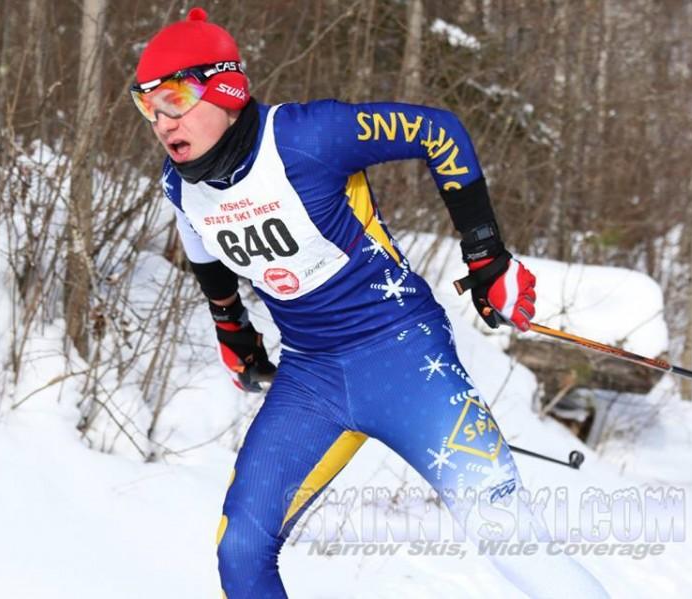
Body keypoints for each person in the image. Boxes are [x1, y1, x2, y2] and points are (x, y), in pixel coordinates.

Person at [132, 8, 608, 598]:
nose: (159, 119)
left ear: (226, 87)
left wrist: (487, 257)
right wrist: (234, 331)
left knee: (507, 533)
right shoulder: (180, 183)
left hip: (404, 356)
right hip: (311, 377)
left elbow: (440, 131)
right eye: (146, 104)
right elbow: (200, 246)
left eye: (174, 97)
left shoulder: (309, 136)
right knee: (241, 551)